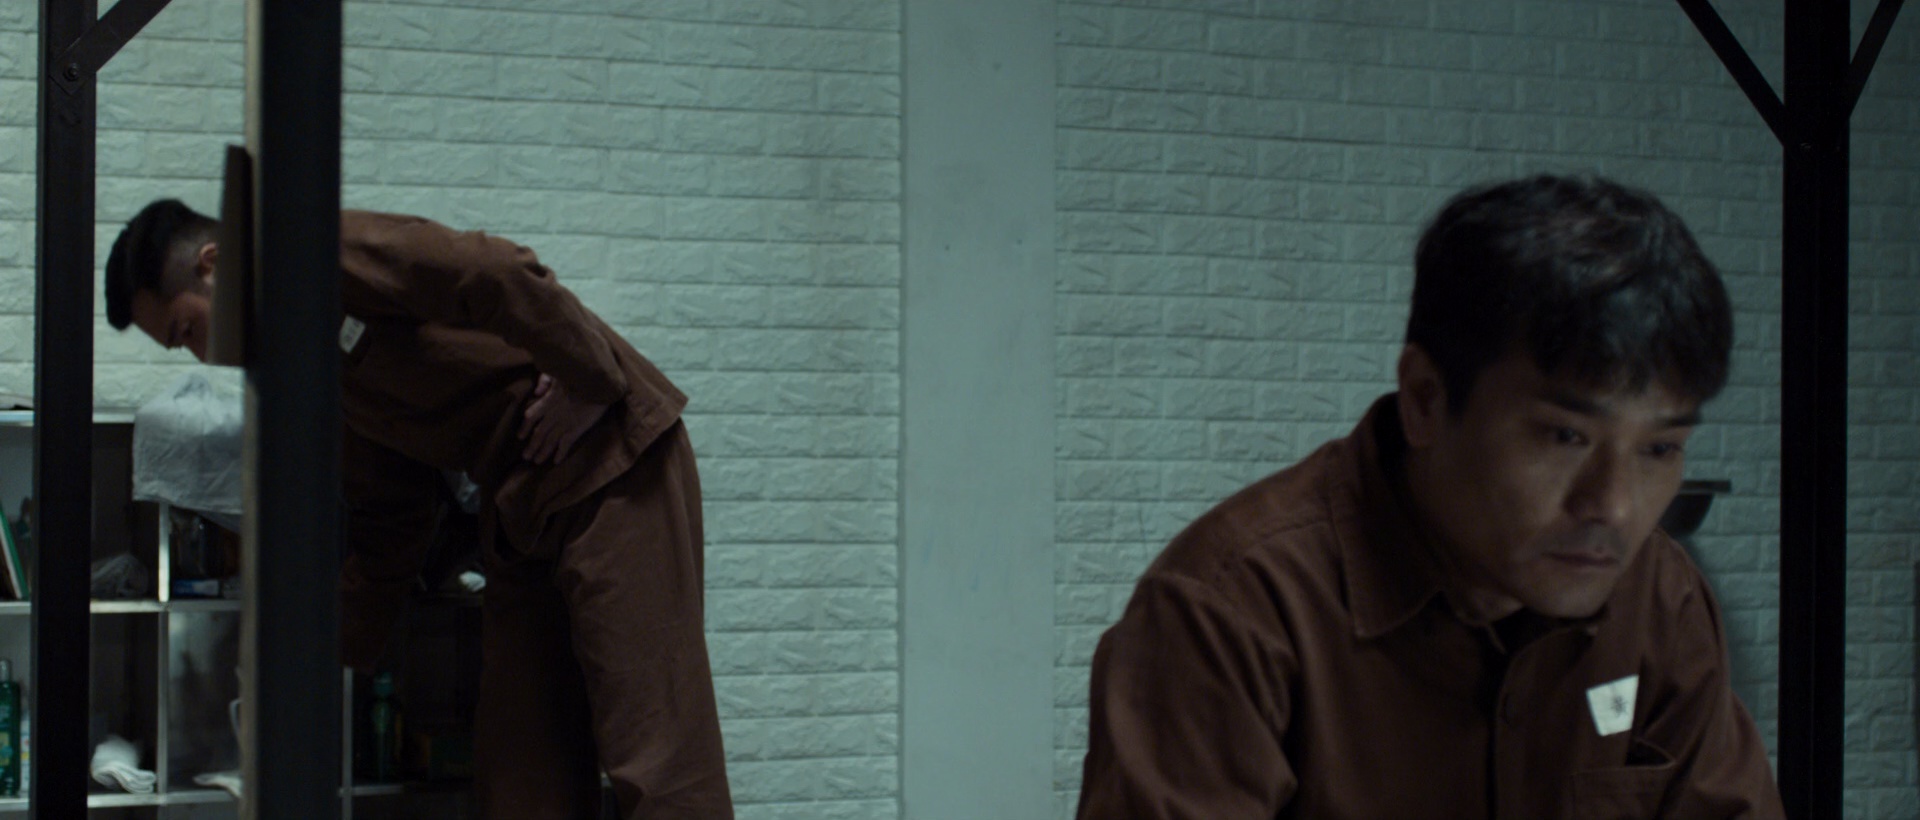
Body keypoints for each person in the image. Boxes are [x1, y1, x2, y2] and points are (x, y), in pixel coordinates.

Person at [1075, 175, 1784, 818]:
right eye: (1565, 437)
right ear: (1424, 400)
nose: (1615, 507)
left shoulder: (1658, 599)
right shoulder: (1233, 611)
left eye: (1659, 449)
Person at [106, 201, 733, 819]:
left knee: (655, 753)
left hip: (609, 462)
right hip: (518, 508)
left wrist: (590, 379)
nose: (200, 356)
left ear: (211, 264)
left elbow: (496, 269)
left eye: (185, 330)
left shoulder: (321, 253)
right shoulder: (300, 365)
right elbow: (392, 510)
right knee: (522, 773)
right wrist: (328, 651)